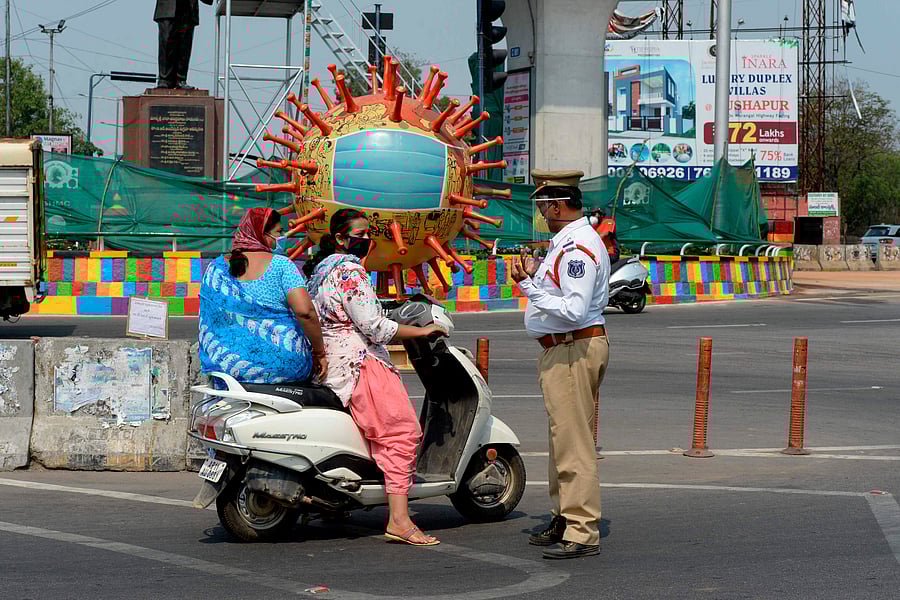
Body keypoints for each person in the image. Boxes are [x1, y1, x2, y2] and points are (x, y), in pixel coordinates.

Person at [303, 208, 447, 547]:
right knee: (402, 433)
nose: (366, 238)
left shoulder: (321, 271)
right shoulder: (351, 271)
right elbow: (375, 327)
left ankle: (337, 505)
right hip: (359, 362)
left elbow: (351, 310)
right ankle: (399, 520)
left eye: (369, 232)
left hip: (330, 365)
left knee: (365, 435)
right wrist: (422, 331)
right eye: (360, 233)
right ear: (341, 238)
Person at [510, 169, 611, 560]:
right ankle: (563, 515)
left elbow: (573, 309)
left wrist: (528, 286)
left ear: (555, 205)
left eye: (542, 205)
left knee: (574, 445)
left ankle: (582, 530)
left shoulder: (576, 249)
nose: (541, 212)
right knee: (562, 440)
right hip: (566, 349)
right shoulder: (568, 242)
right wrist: (538, 276)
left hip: (572, 347)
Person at [198, 207, 327, 384]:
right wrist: (319, 353)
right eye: (279, 232)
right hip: (284, 367)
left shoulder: (215, 269)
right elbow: (305, 312)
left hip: (228, 368)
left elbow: (210, 320)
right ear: (261, 234)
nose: (283, 237)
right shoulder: (282, 266)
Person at [154, 0, 213, 89]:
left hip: (188, 8)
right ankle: (164, 79)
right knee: (166, 43)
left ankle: (181, 79)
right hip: (168, 7)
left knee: (184, 46)